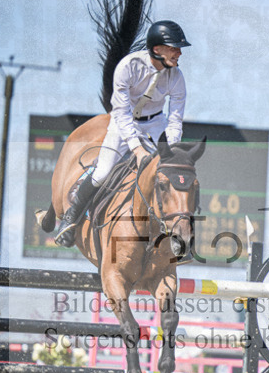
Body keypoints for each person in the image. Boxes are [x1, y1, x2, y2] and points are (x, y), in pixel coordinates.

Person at [55, 20, 191, 247]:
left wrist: (171, 150)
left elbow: (175, 120)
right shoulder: (128, 67)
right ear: (157, 49)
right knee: (103, 171)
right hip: (123, 123)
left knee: (170, 175)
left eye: (178, 48)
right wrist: (136, 148)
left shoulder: (177, 77)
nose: (178, 53)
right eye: (173, 48)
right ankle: (71, 219)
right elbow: (120, 111)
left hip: (156, 124)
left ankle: (177, 234)